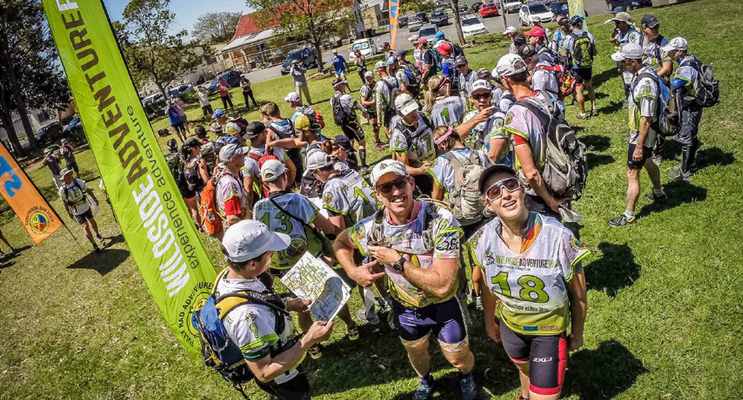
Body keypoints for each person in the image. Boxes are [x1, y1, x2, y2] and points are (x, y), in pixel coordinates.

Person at [334, 160, 478, 400]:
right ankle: (426, 381)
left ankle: (466, 374)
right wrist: (352, 271)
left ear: (411, 183)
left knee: (457, 356)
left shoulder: (440, 220)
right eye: (386, 187)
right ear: (378, 194)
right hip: (407, 308)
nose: (395, 192)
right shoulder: (372, 227)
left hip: (445, 305)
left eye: (399, 183)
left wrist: (397, 261)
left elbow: (443, 286)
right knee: (417, 353)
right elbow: (341, 242)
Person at [471, 164, 588, 400]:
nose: (505, 194)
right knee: (525, 371)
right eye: (495, 192)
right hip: (511, 330)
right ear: (488, 204)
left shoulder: (558, 237)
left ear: (522, 188)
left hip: (549, 333)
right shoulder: (482, 239)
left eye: (510, 185)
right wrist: (489, 321)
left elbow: (579, 293)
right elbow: (486, 285)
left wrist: (577, 331)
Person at [253, 159, 359, 360]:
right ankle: (350, 325)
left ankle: (312, 345)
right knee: (332, 294)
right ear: (285, 176)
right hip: (306, 258)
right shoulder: (297, 200)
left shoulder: (259, 207)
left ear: (264, 182)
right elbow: (327, 226)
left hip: (280, 265)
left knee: (302, 304)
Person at [217, 219, 334, 400]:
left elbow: (256, 297)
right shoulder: (247, 316)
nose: (273, 256)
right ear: (252, 264)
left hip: (281, 354)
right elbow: (264, 372)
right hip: (282, 377)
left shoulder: (229, 276)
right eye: (270, 254)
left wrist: (287, 304)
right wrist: (308, 340)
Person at [497, 53, 565, 217]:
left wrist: (550, 201)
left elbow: (531, 173)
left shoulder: (517, 114)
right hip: (561, 174)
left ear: (506, 80)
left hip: (539, 191)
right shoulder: (547, 97)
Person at [608, 43, 667, 227]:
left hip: (643, 135)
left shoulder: (645, 84)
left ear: (633, 62)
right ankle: (659, 193)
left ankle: (629, 215)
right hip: (641, 133)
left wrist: (639, 146)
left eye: (623, 61)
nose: (620, 65)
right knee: (648, 161)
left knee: (632, 171)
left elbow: (646, 119)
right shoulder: (641, 74)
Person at [665, 37, 703, 181]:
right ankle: (689, 163)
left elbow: (674, 85)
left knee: (687, 137)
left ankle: (685, 172)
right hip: (695, 105)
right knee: (692, 134)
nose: (669, 53)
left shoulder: (685, 69)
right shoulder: (693, 60)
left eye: (672, 51)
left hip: (689, 107)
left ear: (680, 52)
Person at [640, 14, 672, 166]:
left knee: (659, 118)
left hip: (660, 86)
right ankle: (644, 143)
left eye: (657, 26)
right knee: (643, 115)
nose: (657, 29)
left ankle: (658, 151)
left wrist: (650, 78)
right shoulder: (638, 42)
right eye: (653, 27)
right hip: (642, 86)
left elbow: (667, 68)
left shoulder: (663, 44)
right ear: (644, 28)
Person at [390, 94, 436, 197]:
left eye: (414, 110)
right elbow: (403, 167)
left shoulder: (425, 118)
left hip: (436, 165)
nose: (413, 114)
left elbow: (436, 137)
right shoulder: (399, 135)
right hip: (420, 176)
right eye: (408, 113)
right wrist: (420, 170)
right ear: (401, 114)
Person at [243, 122, 297, 206]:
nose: (267, 133)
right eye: (266, 132)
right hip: (285, 197)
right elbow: (293, 169)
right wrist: (287, 185)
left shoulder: (248, 161)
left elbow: (248, 188)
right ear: (261, 136)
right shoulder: (277, 150)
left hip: (267, 202)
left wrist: (249, 206)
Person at [457, 80, 509, 164]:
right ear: (471, 99)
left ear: (491, 96)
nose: (482, 100)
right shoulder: (470, 116)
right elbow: (454, 136)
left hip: (493, 168)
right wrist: (476, 120)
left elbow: (493, 156)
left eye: (485, 95)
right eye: (477, 96)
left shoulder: (498, 118)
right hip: (473, 165)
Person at [59, 168, 104, 252]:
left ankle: (97, 234)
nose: (70, 175)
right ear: (64, 178)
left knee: (92, 220)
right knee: (85, 226)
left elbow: (87, 189)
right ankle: (94, 244)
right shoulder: (62, 189)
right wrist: (68, 212)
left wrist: (94, 198)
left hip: (86, 206)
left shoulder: (77, 182)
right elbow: (64, 201)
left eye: (70, 173)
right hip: (76, 211)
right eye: (67, 175)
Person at [561, 16, 598, 119]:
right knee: (589, 85)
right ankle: (594, 107)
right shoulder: (588, 35)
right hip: (588, 65)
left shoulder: (569, 37)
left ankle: (583, 113)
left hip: (577, 66)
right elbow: (594, 52)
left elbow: (565, 54)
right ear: (580, 24)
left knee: (579, 89)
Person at [261, 102, 304, 186]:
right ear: (278, 110)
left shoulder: (271, 129)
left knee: (288, 182)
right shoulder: (289, 121)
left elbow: (268, 146)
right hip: (296, 153)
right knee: (300, 180)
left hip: (284, 158)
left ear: (269, 115)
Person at [330, 78, 368, 168]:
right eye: (343, 84)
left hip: (343, 124)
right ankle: (364, 165)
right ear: (340, 86)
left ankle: (351, 164)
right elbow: (358, 106)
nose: (345, 86)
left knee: (349, 143)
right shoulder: (346, 97)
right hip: (352, 122)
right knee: (361, 142)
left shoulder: (332, 99)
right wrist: (364, 112)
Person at [607, 12, 641, 106]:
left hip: (631, 62)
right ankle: (628, 98)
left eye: (618, 22)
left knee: (634, 80)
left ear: (625, 23)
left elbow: (635, 50)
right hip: (623, 61)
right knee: (626, 80)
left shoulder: (633, 34)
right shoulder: (621, 34)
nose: (616, 24)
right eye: (615, 22)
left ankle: (635, 99)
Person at [216, 144, 250, 228]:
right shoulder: (230, 184)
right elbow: (232, 218)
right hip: (239, 229)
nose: (244, 156)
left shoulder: (233, 176)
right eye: (241, 154)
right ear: (233, 160)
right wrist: (248, 228)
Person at [181, 138, 209, 227]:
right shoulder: (199, 162)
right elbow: (206, 179)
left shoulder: (186, 163)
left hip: (196, 192)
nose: (200, 148)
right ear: (193, 149)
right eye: (198, 147)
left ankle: (202, 227)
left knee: (203, 210)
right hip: (204, 191)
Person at [374, 61, 399, 137]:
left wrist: (379, 119)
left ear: (379, 71)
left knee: (388, 131)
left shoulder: (379, 84)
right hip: (398, 107)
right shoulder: (394, 79)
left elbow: (378, 103)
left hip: (388, 110)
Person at [360, 71, 384, 151]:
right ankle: (376, 142)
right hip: (370, 110)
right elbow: (363, 102)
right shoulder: (364, 88)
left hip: (377, 108)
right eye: (367, 78)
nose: (368, 79)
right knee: (375, 127)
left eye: (370, 78)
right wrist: (373, 102)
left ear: (373, 77)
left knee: (379, 125)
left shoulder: (376, 85)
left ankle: (377, 139)